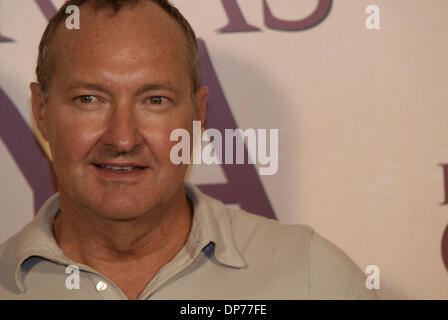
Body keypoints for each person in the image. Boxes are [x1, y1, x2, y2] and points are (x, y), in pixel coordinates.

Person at [0, 0, 378, 300]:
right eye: (89, 99)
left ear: (198, 113)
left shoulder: (311, 278)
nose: (123, 138)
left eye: (155, 100)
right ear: (41, 111)